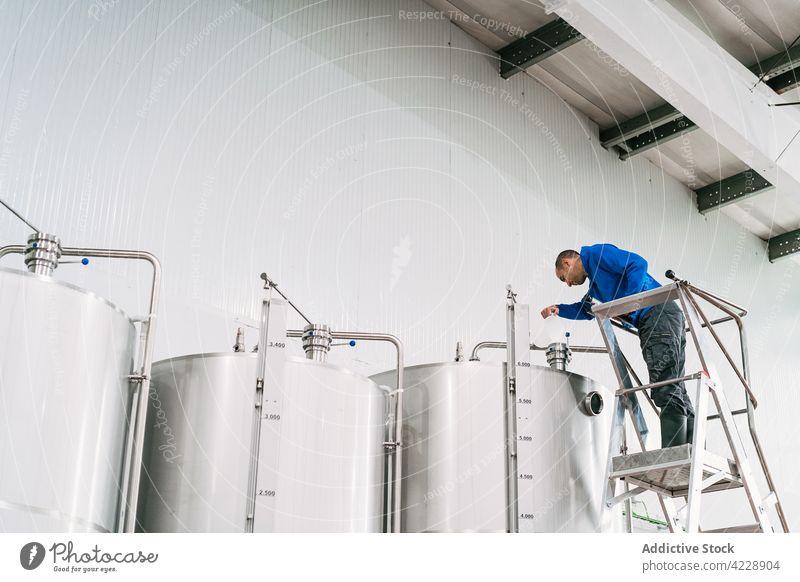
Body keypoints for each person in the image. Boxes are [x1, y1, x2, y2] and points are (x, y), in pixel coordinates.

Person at [540, 244, 695, 448]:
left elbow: (637, 263)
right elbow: (587, 309)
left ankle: (674, 451)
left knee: (664, 383)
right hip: (662, 316)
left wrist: (629, 302)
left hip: (657, 313)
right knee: (675, 382)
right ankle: (691, 446)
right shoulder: (596, 286)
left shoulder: (596, 254)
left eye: (563, 277)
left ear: (568, 263)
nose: (567, 284)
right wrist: (558, 310)